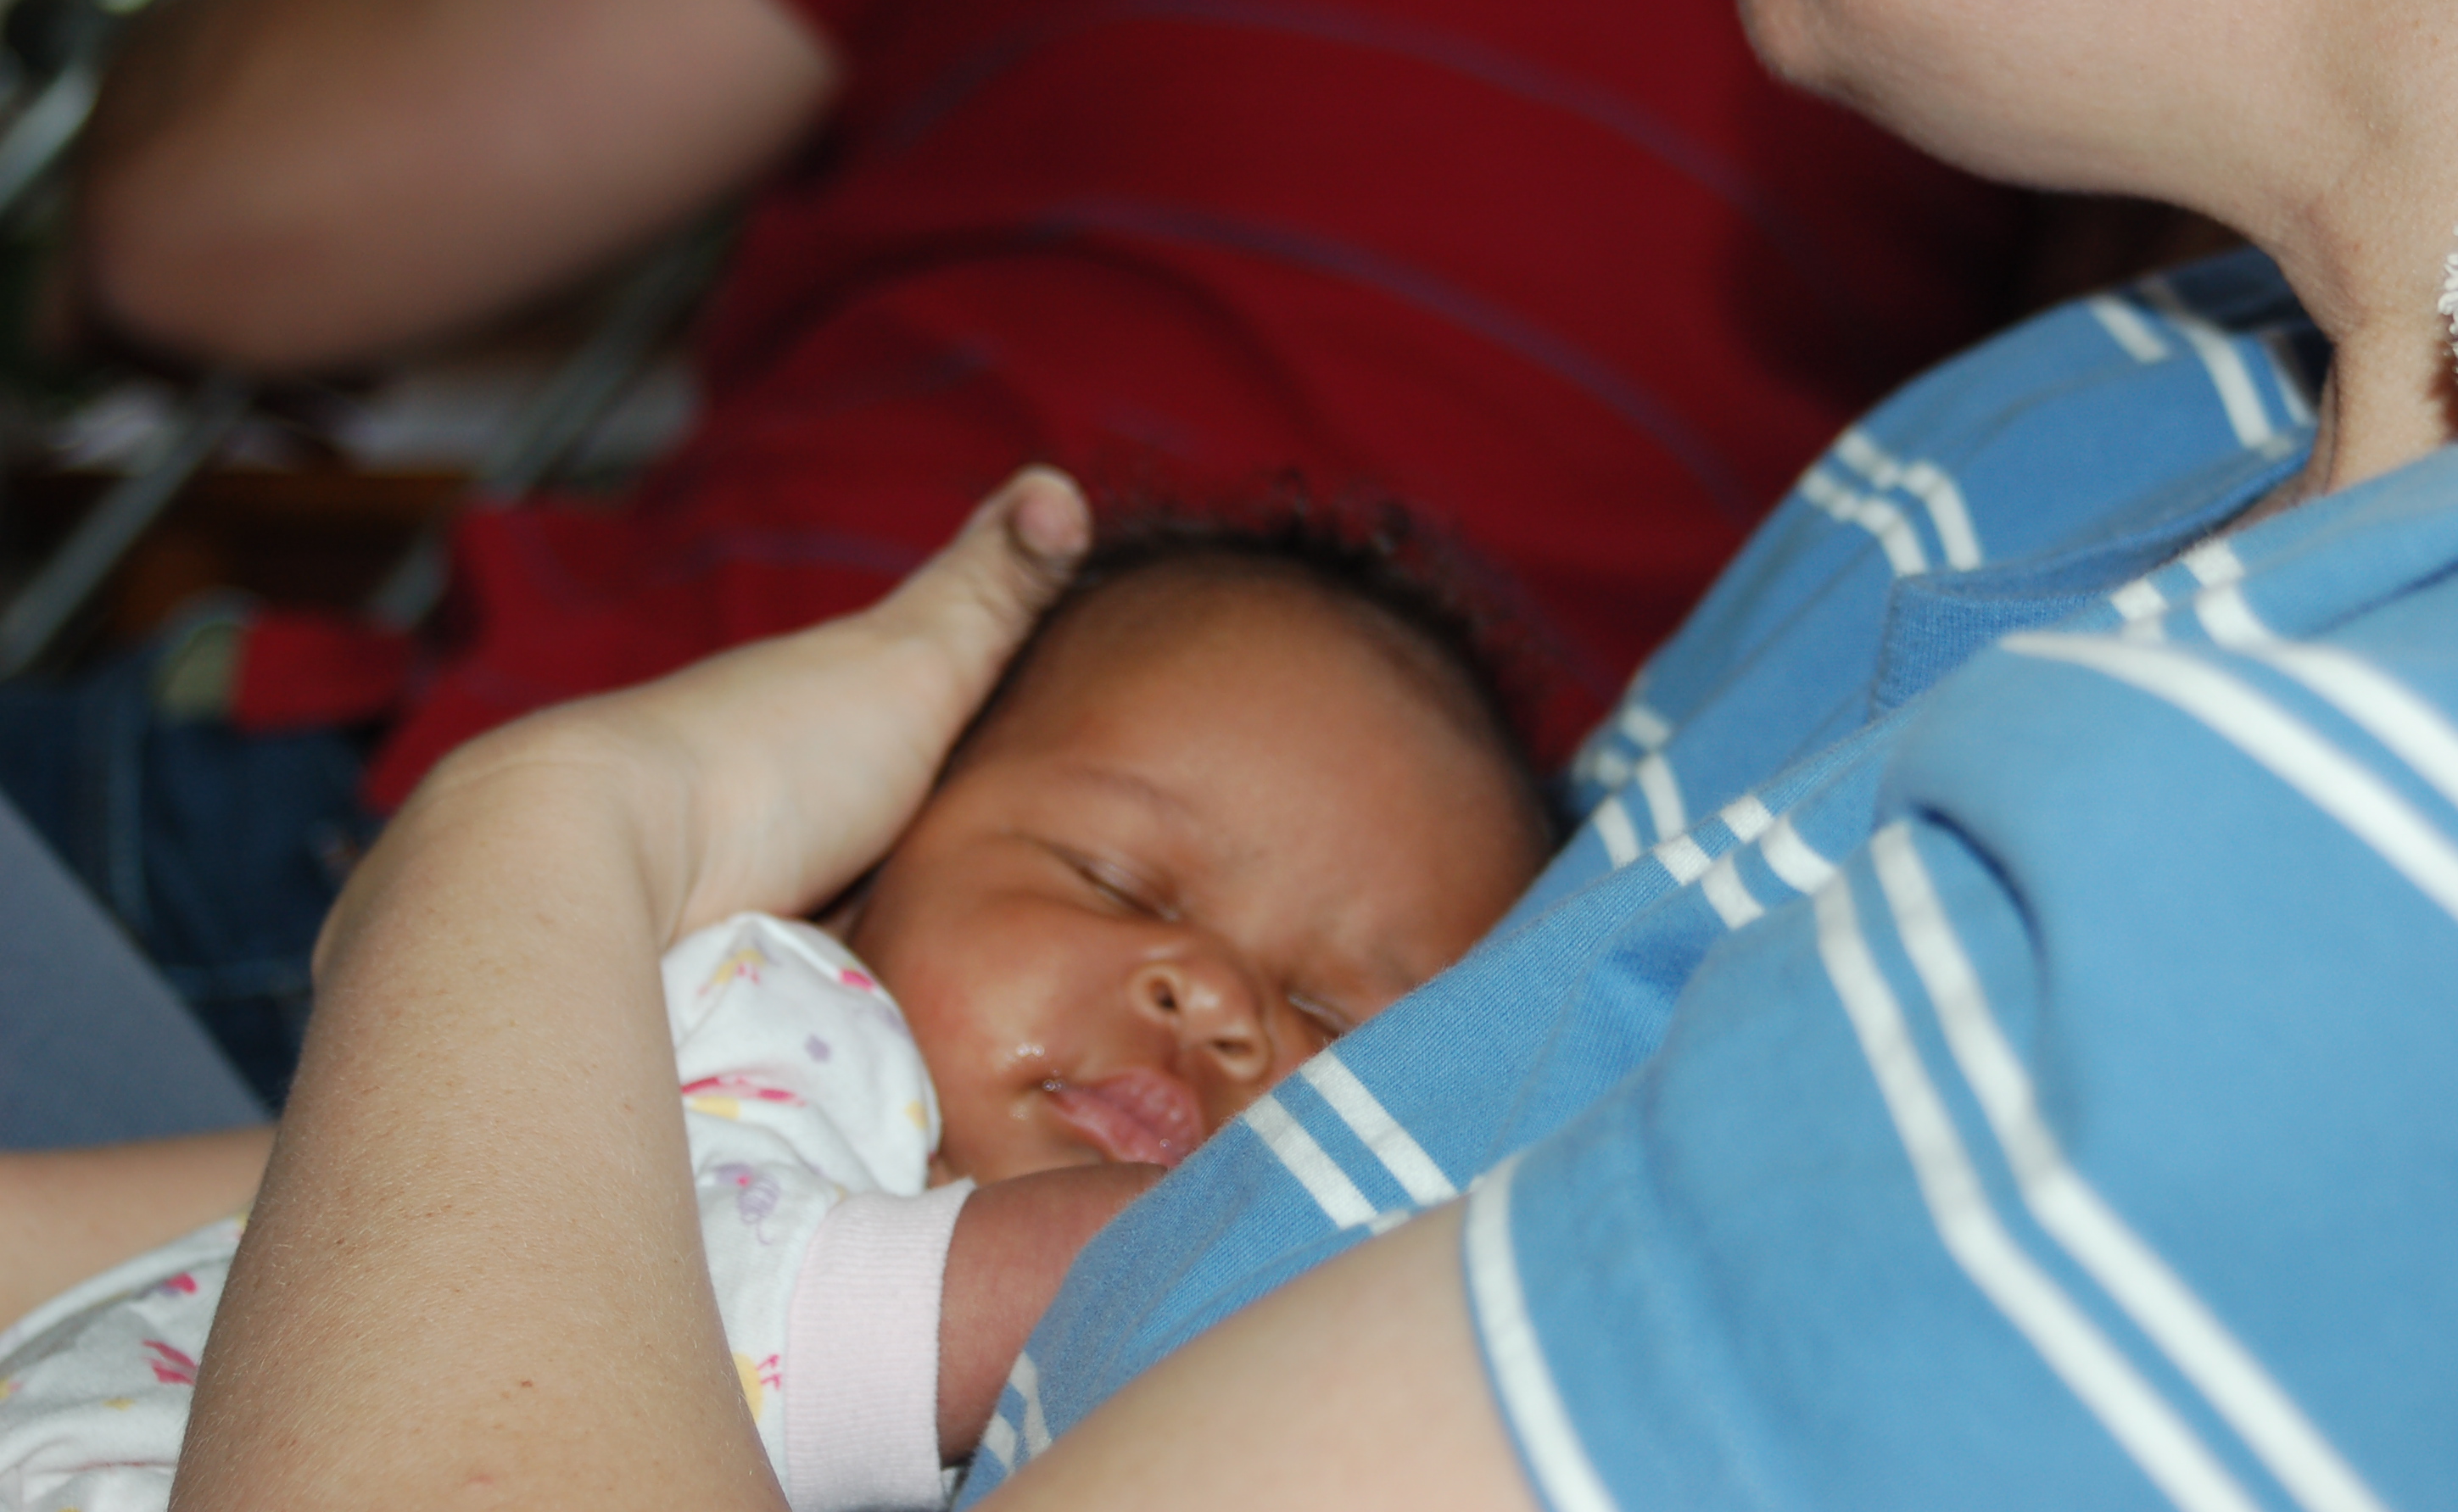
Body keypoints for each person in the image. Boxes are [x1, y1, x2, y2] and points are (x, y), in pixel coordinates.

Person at [127, 0, 2458, 1507]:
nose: (1220, 998)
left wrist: (537, 844)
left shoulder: (2384, 897)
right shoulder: (2072, 425)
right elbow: (651, 1167)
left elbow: (230, 216)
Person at [7, 0, 2039, 1108]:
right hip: (1203, 1177)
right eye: (1120, 882)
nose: (1201, 990)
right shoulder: (2033, 10)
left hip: (489, 857)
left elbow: (232, 211)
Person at [0, 496, 1548, 1511]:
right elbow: (741, 1290)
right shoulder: (783, 1024)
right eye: (1117, 882)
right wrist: (1174, 1247)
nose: (1216, 1000)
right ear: (863, 873)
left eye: (1334, 1017)